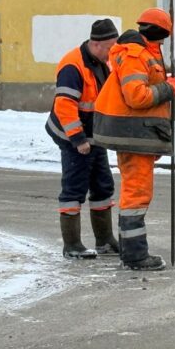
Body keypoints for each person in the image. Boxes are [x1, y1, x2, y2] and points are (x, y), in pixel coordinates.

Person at [93, 8, 175, 271]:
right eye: (164, 35)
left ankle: (131, 253)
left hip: (137, 134)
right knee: (136, 195)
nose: (164, 41)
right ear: (161, 33)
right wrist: (168, 88)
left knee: (135, 194)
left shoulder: (142, 53)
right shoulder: (135, 55)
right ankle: (135, 257)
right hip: (134, 134)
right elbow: (137, 97)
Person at [45, 18, 120, 259]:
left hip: (92, 135)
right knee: (74, 189)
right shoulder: (72, 65)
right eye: (110, 47)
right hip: (72, 137)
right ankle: (72, 245)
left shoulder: (102, 62)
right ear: (96, 44)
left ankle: (105, 241)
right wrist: (78, 140)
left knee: (103, 186)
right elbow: (65, 105)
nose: (112, 52)